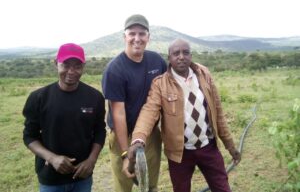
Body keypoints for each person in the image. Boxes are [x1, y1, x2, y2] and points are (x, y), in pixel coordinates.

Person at [126, 38, 241, 192]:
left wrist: (230, 146)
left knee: (222, 188)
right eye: (176, 53)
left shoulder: (203, 74)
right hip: (180, 154)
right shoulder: (160, 84)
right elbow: (149, 111)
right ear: (169, 58)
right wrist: (138, 139)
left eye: (185, 52)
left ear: (191, 56)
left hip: (208, 147)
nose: (181, 57)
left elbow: (218, 113)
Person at [23, 43, 106, 192]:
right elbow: (29, 136)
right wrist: (52, 158)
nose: (71, 71)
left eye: (77, 66)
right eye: (66, 65)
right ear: (56, 64)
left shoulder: (95, 97)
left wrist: (91, 160)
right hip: (50, 178)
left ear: (83, 66)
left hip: (83, 176)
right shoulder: (39, 98)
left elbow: (100, 131)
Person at [101, 14, 167, 192]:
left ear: (148, 37)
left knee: (150, 183)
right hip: (124, 135)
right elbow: (118, 114)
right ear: (125, 37)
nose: (137, 38)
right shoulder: (115, 69)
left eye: (142, 34)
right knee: (124, 184)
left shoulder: (157, 61)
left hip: (150, 134)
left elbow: (169, 91)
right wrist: (124, 154)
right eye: (132, 34)